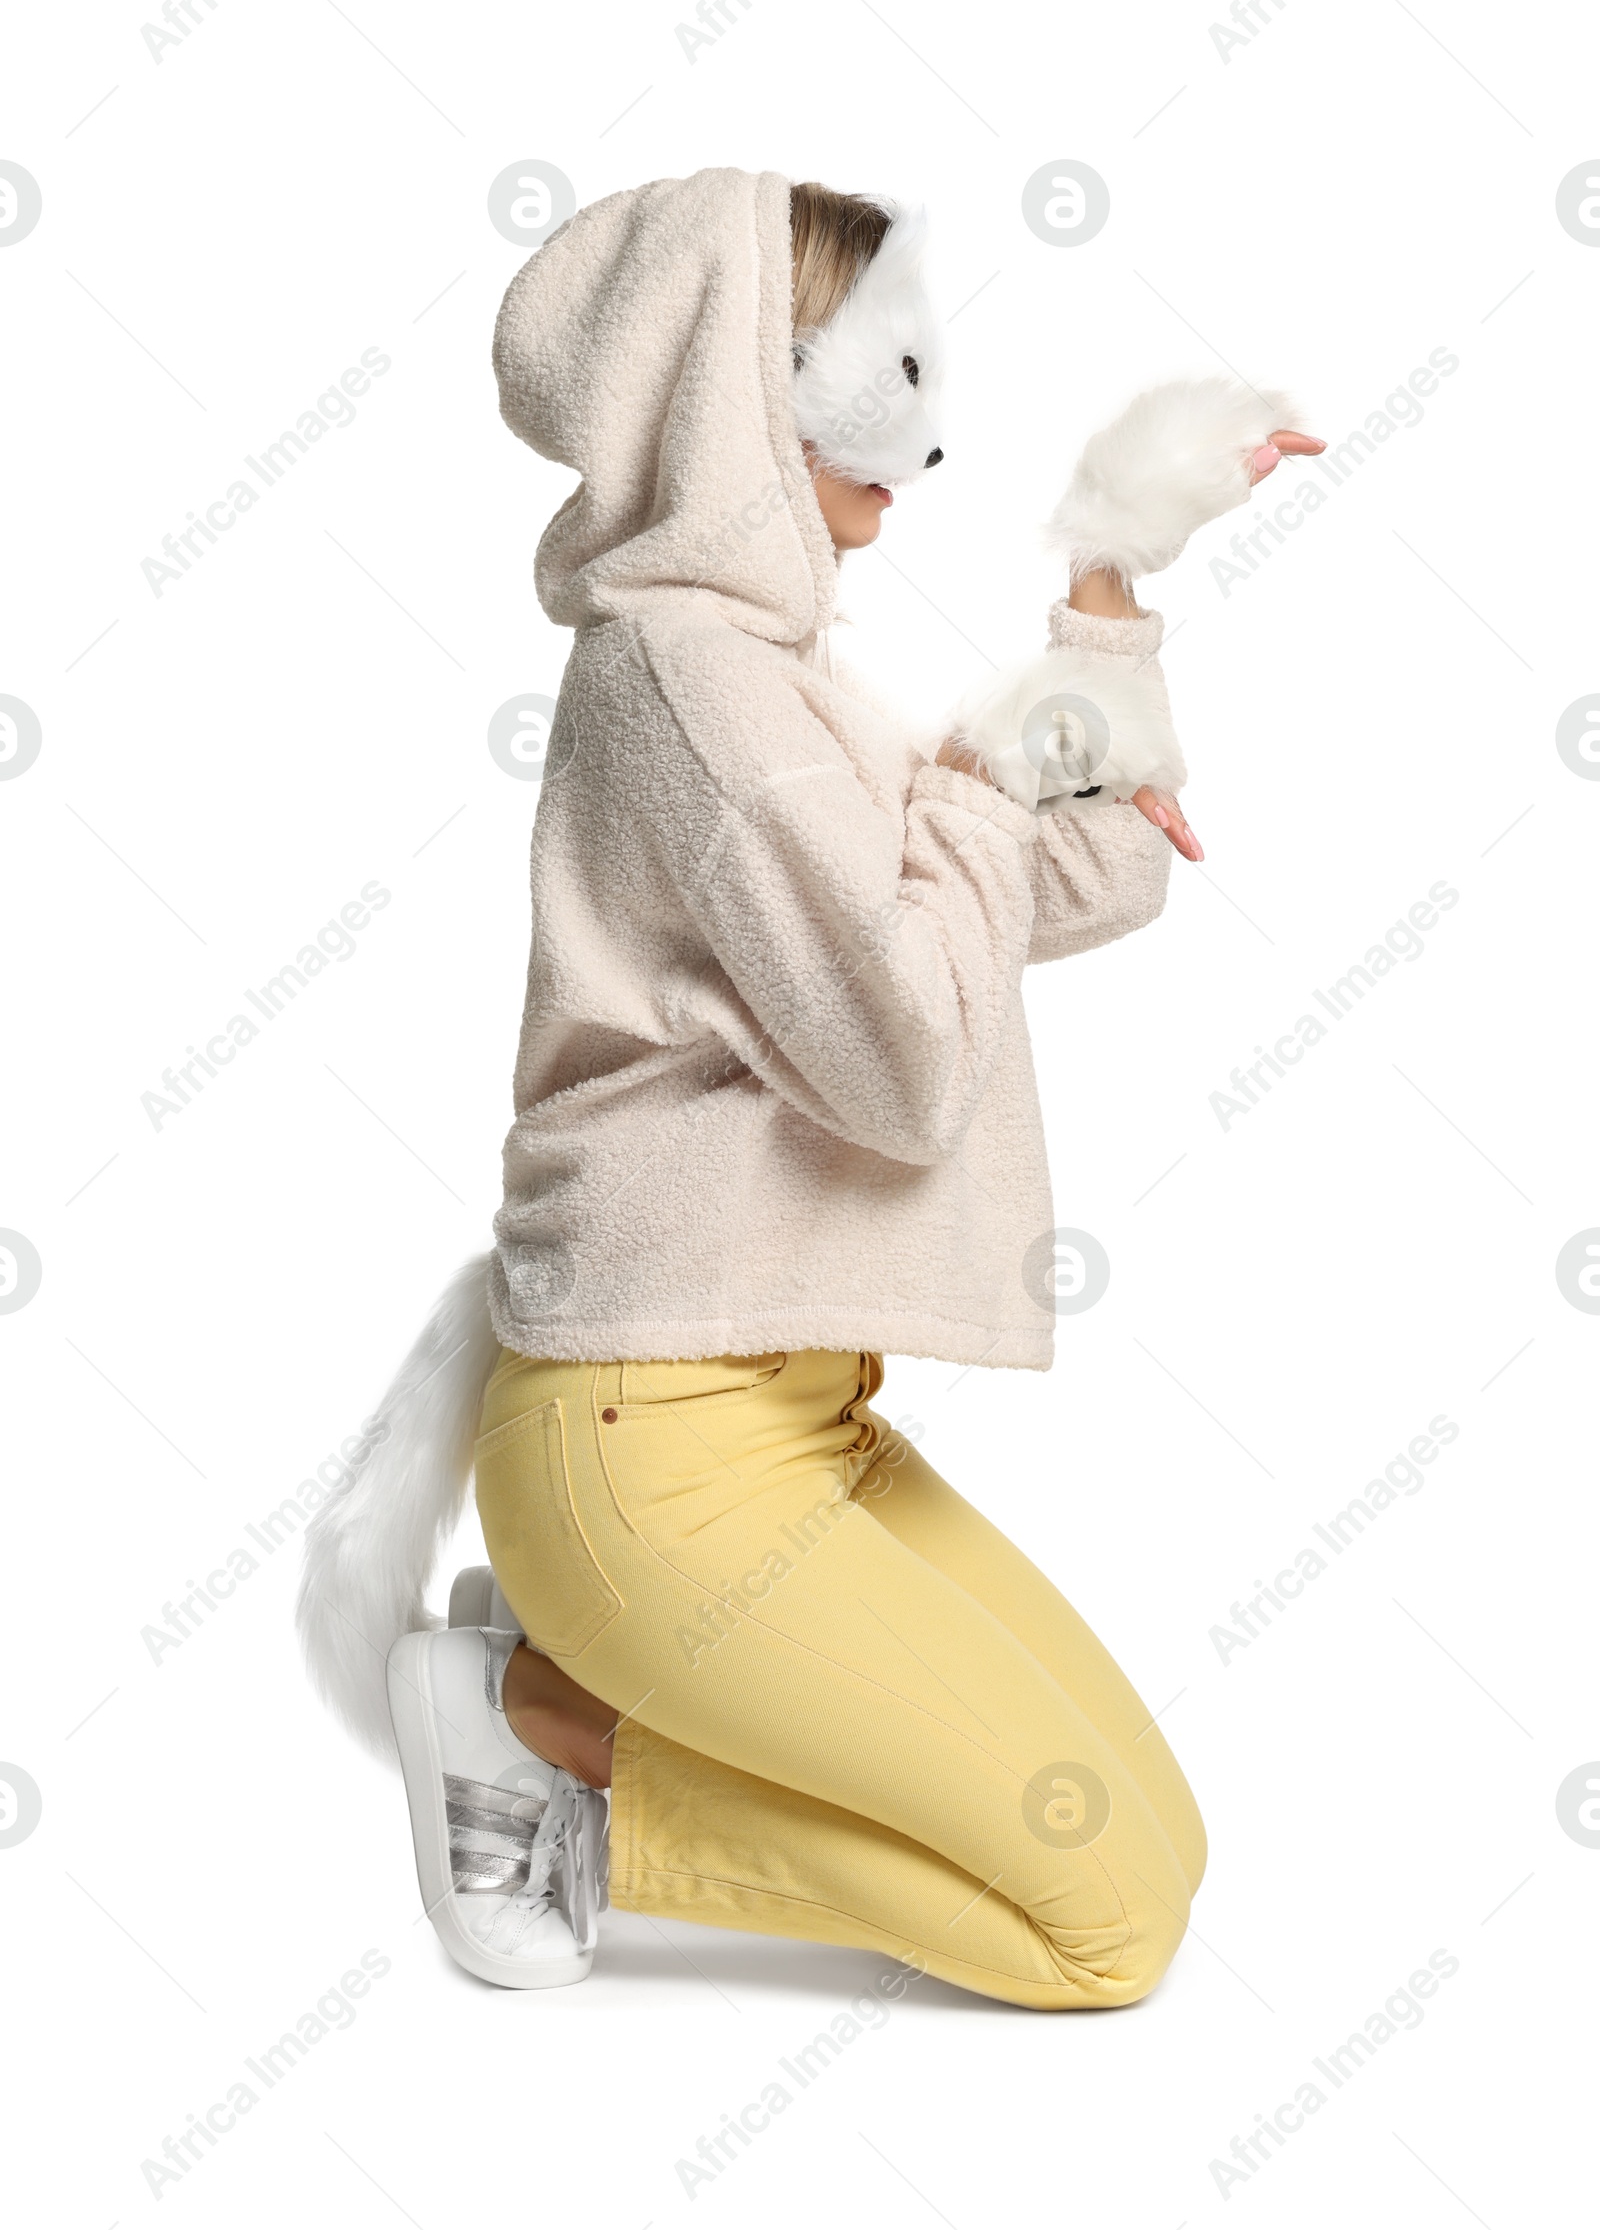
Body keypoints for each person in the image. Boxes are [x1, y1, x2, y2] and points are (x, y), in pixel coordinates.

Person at [302, 166, 1318, 2007]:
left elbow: (1080, 879)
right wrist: (995, 788)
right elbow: (912, 1052)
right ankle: (544, 1721)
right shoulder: (700, 692)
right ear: (731, 388)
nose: (917, 455)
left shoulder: (781, 677)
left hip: (786, 1418)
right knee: (1106, 1931)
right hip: (660, 1449)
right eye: (877, 379)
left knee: (1154, 1843)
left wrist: (1106, 599)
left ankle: (566, 1687)